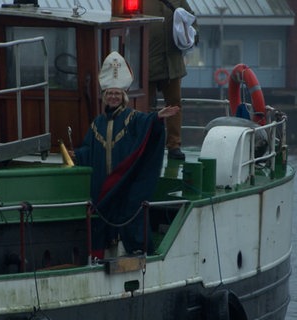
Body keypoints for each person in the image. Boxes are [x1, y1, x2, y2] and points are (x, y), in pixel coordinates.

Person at [72, 52, 179, 259]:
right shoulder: (97, 124)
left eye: (117, 94)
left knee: (129, 213)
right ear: (105, 96)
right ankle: (102, 256)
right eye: (110, 93)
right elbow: (89, 149)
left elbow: (148, 125)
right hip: (104, 186)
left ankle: (130, 253)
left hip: (125, 184)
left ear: (124, 96)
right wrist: (76, 155)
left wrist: (157, 118)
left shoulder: (133, 118)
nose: (113, 97)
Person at [145, 0, 198, 160]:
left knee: (174, 105)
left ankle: (174, 145)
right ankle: (145, 144)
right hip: (147, 64)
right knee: (145, 107)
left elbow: (192, 21)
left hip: (172, 64)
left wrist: (191, 36)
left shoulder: (179, 0)